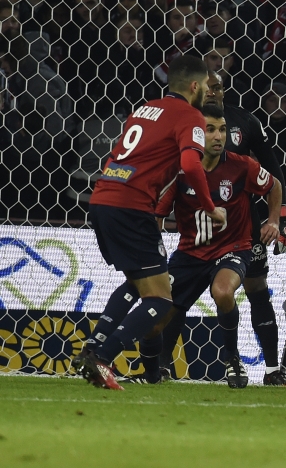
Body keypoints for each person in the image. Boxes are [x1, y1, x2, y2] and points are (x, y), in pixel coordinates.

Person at [72, 55, 227, 390]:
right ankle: (101, 358)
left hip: (103, 198)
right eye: (207, 87)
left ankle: (94, 346)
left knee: (137, 283)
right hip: (131, 205)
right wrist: (209, 206)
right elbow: (190, 162)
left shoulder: (145, 109)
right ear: (195, 86)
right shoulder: (190, 115)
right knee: (160, 300)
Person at [158, 70, 286, 386]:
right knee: (171, 302)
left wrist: (279, 217)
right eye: (207, 87)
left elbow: (272, 170)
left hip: (243, 228)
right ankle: (158, 364)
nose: (212, 92)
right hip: (194, 239)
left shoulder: (245, 123)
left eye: (217, 87)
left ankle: (272, 369)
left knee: (256, 290)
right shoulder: (180, 131)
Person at [135, 103, 282, 387]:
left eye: (223, 130)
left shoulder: (242, 166)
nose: (218, 136)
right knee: (158, 313)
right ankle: (155, 370)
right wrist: (155, 252)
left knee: (224, 291)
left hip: (232, 248)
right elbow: (157, 215)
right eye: (210, 130)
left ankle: (232, 359)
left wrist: (273, 220)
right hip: (190, 254)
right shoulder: (179, 170)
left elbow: (273, 185)